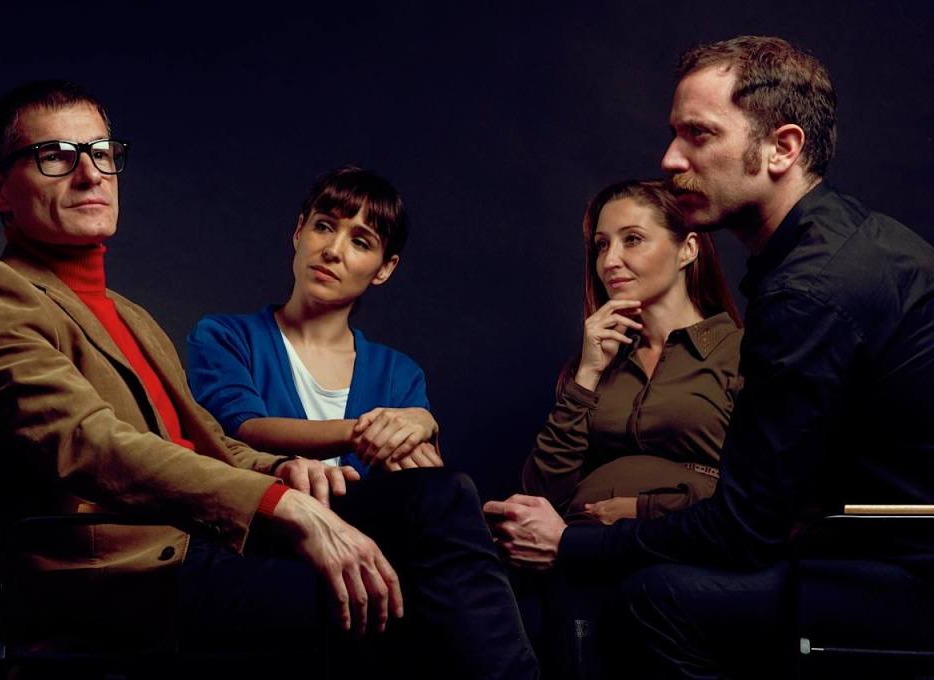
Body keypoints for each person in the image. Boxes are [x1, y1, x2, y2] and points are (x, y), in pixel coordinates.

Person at [0, 80, 538, 679]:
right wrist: (281, 504)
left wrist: (282, 471)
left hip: (202, 541)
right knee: (391, 599)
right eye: (56, 157)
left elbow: (209, 445)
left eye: (102, 153)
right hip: (122, 574)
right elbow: (86, 443)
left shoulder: (132, 317)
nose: (90, 174)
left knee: (441, 496)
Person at [485, 35, 934, 679]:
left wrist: (575, 542)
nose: (670, 159)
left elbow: (746, 527)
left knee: (656, 601)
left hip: (893, 569)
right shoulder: (839, 245)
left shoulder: (810, 290)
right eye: (675, 134)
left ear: (782, 148)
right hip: (865, 550)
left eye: (699, 134)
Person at [186, 167, 440, 481]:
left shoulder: (399, 374)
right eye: (323, 226)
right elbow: (242, 431)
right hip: (264, 510)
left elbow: (421, 475)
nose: (332, 251)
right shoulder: (225, 337)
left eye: (361, 243)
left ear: (385, 269)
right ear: (299, 231)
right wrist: (365, 432)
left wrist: (424, 422)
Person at [522, 179, 742, 525]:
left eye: (632, 239)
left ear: (688, 249)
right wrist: (587, 374)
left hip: (683, 547)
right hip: (578, 541)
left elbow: (767, 496)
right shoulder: (600, 362)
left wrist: (645, 509)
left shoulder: (739, 352)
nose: (609, 261)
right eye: (601, 245)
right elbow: (542, 493)